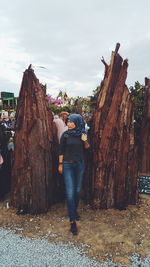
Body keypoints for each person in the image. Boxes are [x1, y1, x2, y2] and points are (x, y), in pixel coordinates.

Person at [58, 113, 90, 235]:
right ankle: (72, 221)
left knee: (77, 190)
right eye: (68, 121)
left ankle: (74, 211)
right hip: (67, 165)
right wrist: (60, 164)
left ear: (77, 122)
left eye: (71, 122)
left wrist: (85, 140)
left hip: (80, 165)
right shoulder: (65, 135)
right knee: (70, 192)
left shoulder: (82, 134)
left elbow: (87, 148)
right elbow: (61, 150)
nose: (69, 123)